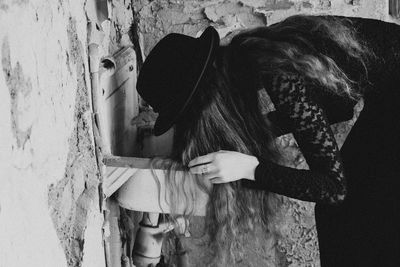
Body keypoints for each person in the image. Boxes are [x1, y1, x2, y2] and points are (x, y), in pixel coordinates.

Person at [136, 15, 400, 266]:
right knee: (349, 217)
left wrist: (248, 167)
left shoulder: (281, 73)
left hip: (391, 103)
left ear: (208, 101)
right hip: (386, 101)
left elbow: (332, 188)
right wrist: (259, 134)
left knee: (359, 217)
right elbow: (338, 107)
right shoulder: (263, 49)